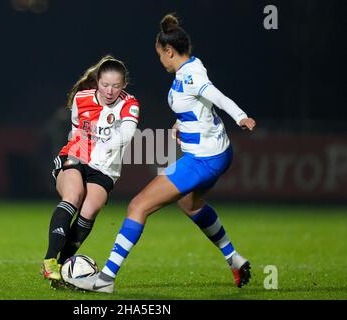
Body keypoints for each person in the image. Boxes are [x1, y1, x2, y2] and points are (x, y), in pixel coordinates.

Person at [68, 13, 257, 293]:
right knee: (189, 203)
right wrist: (180, 123)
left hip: (202, 160)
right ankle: (234, 258)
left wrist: (241, 116)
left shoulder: (191, 75)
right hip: (218, 154)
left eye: (160, 55)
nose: (160, 61)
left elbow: (216, 96)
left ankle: (105, 280)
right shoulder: (193, 66)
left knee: (138, 206)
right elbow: (198, 104)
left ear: (169, 51)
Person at [40, 56, 141, 284]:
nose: (109, 91)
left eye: (116, 86)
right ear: (97, 81)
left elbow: (126, 134)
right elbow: (76, 130)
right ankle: (49, 261)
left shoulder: (129, 103)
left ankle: (64, 267)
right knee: (73, 196)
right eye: (105, 84)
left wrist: (102, 150)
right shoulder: (82, 98)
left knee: (90, 209)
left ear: (123, 84)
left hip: (105, 167)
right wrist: (78, 153)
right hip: (77, 156)